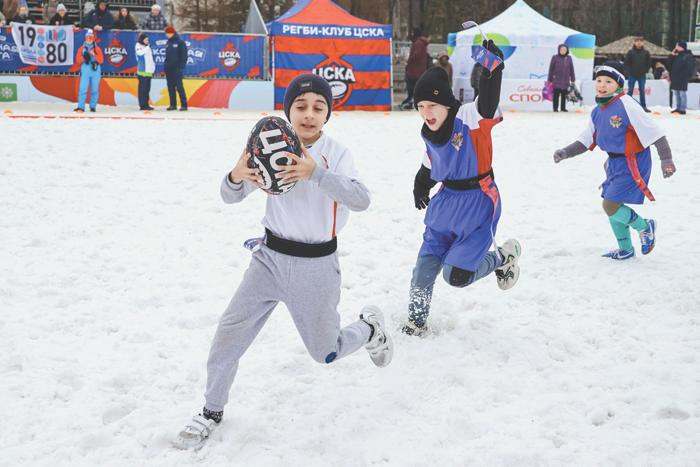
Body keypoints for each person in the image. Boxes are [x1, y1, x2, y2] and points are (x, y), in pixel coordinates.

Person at [172, 73, 393, 450]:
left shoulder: (335, 153)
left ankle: (370, 330)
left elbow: (361, 199)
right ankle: (211, 410)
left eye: (318, 108)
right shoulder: (268, 143)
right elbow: (230, 195)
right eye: (301, 107)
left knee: (325, 352)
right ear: (288, 111)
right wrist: (235, 176)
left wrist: (315, 173)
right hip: (268, 260)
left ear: (328, 114)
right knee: (229, 332)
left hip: (316, 266)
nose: (309, 114)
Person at [402, 41, 522, 337]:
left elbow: (489, 97)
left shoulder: (470, 116)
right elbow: (430, 160)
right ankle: (416, 322)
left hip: (477, 203)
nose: (425, 112)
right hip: (445, 203)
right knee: (424, 267)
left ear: (446, 103)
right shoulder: (428, 132)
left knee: (455, 277)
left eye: (431, 105)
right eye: (420, 106)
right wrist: (421, 185)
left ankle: (501, 258)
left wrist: (492, 68)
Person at [552, 62, 677, 260]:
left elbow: (656, 134)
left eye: (608, 81)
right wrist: (565, 152)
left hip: (633, 162)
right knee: (612, 203)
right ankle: (626, 249)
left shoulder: (627, 105)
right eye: (599, 80)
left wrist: (666, 159)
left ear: (618, 84)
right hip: (614, 163)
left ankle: (645, 226)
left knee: (610, 205)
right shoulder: (597, 110)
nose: (602, 85)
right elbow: (586, 139)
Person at [74, 29, 103, 113]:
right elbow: (78, 60)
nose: (88, 41)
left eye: (90, 40)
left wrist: (94, 55)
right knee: (83, 89)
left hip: (95, 72)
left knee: (94, 90)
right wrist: (84, 58)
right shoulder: (82, 48)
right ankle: (80, 107)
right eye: (87, 40)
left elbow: (101, 60)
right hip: (85, 71)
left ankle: (93, 106)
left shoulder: (97, 49)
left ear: (93, 40)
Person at [400, 27, 428, 111]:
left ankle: (412, 104)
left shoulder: (418, 43)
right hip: (417, 70)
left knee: (413, 90)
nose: (412, 34)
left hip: (415, 71)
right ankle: (408, 103)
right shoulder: (420, 42)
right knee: (414, 90)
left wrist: (409, 60)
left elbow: (416, 54)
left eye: (412, 32)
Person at [667, 41, 696, 115]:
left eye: (679, 47)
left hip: (682, 78)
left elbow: (688, 67)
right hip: (675, 77)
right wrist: (672, 55)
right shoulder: (677, 56)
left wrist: (682, 75)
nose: (677, 48)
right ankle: (678, 107)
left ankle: (683, 108)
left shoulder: (687, 56)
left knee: (682, 93)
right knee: (676, 93)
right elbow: (669, 64)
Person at [624, 37, 652, 112]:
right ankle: (627, 106)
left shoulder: (646, 53)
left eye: (640, 41)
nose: (639, 43)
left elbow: (649, 63)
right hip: (632, 75)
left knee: (642, 91)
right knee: (630, 91)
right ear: (635, 42)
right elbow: (626, 63)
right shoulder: (631, 52)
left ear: (643, 43)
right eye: (637, 41)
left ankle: (643, 106)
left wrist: (645, 70)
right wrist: (630, 71)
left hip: (642, 75)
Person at [164, 25, 188, 111]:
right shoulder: (168, 42)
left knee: (179, 86)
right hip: (169, 68)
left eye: (167, 33)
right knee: (170, 86)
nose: (166, 35)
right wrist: (166, 65)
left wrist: (181, 66)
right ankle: (173, 104)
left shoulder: (180, 42)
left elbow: (184, 55)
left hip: (177, 68)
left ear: (171, 33)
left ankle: (184, 105)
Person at [547, 44, 575, 112]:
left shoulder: (569, 58)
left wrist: (573, 79)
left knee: (564, 95)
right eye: (561, 50)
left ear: (567, 51)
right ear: (559, 50)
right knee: (556, 94)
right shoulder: (555, 57)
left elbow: (571, 69)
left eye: (564, 50)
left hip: (565, 79)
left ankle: (563, 108)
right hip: (556, 79)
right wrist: (550, 79)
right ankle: (555, 108)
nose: (563, 51)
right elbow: (551, 69)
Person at [135, 33, 155, 111]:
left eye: (147, 40)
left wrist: (152, 68)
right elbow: (140, 53)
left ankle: (146, 104)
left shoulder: (146, 47)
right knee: (142, 89)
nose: (147, 41)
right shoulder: (138, 46)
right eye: (146, 40)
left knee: (147, 89)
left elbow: (150, 59)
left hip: (148, 72)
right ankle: (142, 104)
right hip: (142, 71)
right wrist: (147, 47)